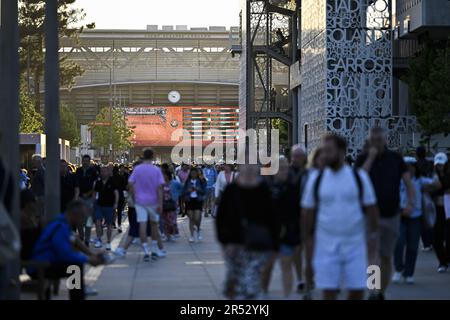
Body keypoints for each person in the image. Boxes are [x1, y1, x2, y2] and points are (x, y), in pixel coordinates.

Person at [303, 134, 379, 300]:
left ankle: (373, 290)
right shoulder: (316, 179)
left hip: (355, 245)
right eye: (323, 150)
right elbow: (308, 213)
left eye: (329, 150)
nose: (324, 154)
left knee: (358, 290)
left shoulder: (359, 177)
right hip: (325, 246)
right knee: (328, 291)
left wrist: (373, 236)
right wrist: (308, 244)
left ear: (341, 151)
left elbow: (372, 208)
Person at [355, 127, 415, 300]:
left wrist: (410, 203)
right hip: (369, 216)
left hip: (391, 214)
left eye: (380, 140)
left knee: (386, 256)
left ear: (385, 140)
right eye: (374, 140)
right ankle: (373, 291)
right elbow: (359, 179)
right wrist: (371, 157)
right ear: (370, 141)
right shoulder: (363, 158)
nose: (377, 143)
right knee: (373, 254)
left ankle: (381, 291)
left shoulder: (395, 158)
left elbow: (408, 183)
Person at [216, 161, 278, 300]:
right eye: (246, 163)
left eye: (253, 164)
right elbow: (221, 219)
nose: (249, 167)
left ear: (258, 167)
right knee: (236, 280)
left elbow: (273, 219)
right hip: (235, 245)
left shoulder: (264, 189)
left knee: (250, 284)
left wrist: (274, 246)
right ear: (240, 167)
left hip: (258, 245)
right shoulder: (231, 190)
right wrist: (225, 243)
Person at [29, 200, 104, 300]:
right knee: (75, 268)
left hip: (47, 262)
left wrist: (91, 254)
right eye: (82, 217)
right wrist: (88, 259)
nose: (83, 220)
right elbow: (65, 254)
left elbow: (75, 242)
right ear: (75, 214)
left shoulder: (62, 223)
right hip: (40, 266)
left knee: (75, 265)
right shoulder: (60, 226)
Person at [393, 157, 441, 284]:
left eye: (410, 166)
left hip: (415, 217)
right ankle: (398, 269)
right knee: (399, 243)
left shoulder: (420, 181)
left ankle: (409, 273)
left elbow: (437, 184)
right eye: (405, 166)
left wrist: (429, 186)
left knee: (413, 246)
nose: (408, 168)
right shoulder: (397, 180)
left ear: (415, 168)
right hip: (400, 215)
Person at [262, 157, 300, 297]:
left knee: (286, 265)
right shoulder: (266, 188)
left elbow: (298, 212)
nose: (284, 171)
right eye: (280, 168)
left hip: (288, 233)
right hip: (270, 234)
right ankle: (263, 292)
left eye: (285, 168)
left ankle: (287, 296)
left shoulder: (293, 188)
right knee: (267, 267)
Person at [128, 149, 166, 261]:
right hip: (153, 202)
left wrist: (134, 196)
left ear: (143, 156)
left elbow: (130, 183)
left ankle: (145, 250)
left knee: (142, 225)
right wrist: (160, 203)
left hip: (140, 201)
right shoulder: (156, 170)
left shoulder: (137, 169)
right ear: (153, 156)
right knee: (154, 225)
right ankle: (154, 249)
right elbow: (160, 188)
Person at [288, 145, 308, 293]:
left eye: (300, 156)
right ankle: (300, 278)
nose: (296, 159)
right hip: (294, 216)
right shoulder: (286, 172)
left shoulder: (310, 173)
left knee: (309, 249)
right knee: (297, 248)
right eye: (295, 156)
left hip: (309, 216)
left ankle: (308, 277)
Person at [432, 152, 450, 272]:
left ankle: (447, 261)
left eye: (441, 164)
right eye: (438, 165)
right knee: (436, 239)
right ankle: (442, 262)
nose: (440, 167)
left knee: (448, 238)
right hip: (437, 211)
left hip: (448, 211)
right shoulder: (432, 176)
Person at [93, 165, 119, 250]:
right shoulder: (98, 182)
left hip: (109, 206)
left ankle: (108, 242)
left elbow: (116, 193)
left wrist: (116, 203)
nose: (103, 173)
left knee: (109, 224)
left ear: (108, 172)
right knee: (97, 222)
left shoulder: (113, 181)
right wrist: (93, 202)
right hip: (99, 205)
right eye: (102, 172)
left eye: (105, 171)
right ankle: (99, 239)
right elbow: (94, 192)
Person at [75, 155, 98, 246]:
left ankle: (87, 239)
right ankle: (81, 235)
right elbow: (76, 183)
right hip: (80, 197)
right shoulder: (78, 170)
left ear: (89, 162)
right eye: (83, 160)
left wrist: (90, 194)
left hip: (89, 198)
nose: (84, 162)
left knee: (88, 219)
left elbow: (96, 185)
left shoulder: (93, 171)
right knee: (79, 219)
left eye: (86, 161)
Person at [183, 167, 207, 243]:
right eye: (192, 173)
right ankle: (191, 235)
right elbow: (183, 191)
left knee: (197, 218)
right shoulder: (187, 182)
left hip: (198, 200)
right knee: (191, 218)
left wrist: (198, 189)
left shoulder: (201, 181)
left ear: (197, 174)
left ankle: (198, 230)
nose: (193, 174)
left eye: (195, 173)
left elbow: (204, 191)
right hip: (189, 201)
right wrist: (188, 190)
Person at [161, 169, 178, 241]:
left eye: (164, 175)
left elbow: (179, 189)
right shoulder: (161, 183)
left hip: (172, 204)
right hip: (163, 203)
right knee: (164, 221)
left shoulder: (173, 183)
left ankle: (173, 234)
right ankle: (166, 235)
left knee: (172, 221)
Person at [111, 165, 127, 233]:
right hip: (120, 195)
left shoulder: (111, 178)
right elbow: (124, 187)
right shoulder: (121, 177)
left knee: (113, 210)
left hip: (112, 196)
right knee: (119, 211)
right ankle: (119, 224)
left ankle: (113, 223)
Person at [30, 154, 45, 221]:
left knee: (39, 215)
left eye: (33, 161)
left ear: (38, 161)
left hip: (40, 196)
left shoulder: (41, 171)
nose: (33, 163)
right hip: (39, 196)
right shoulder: (40, 170)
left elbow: (44, 182)